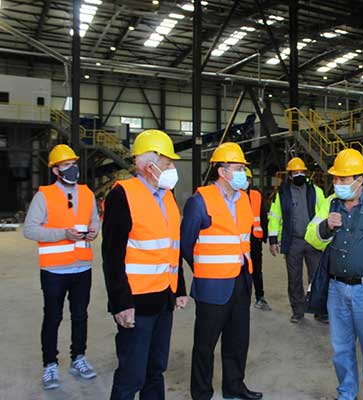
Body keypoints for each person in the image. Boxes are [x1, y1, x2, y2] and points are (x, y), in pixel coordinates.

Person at [102, 129, 187, 400]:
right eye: (168, 163)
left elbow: (172, 245)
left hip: (164, 299)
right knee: (132, 375)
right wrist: (120, 303)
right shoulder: (122, 195)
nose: (172, 169)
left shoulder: (168, 196)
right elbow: (112, 256)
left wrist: (179, 288)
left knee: (156, 370)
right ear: (148, 166)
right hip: (136, 303)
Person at [180, 142, 262, 400]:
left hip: (241, 280)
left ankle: (234, 387)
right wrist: (203, 268)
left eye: (243, 169)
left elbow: (243, 239)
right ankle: (202, 393)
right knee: (205, 345)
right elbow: (186, 244)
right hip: (212, 285)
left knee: (238, 341)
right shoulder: (200, 201)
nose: (243, 174)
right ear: (223, 172)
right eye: (238, 169)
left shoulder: (244, 199)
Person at [305, 149, 363, 400]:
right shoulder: (330, 203)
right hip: (336, 288)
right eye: (335, 178)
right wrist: (326, 226)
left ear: (359, 179)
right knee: (341, 349)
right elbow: (311, 236)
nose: (337, 183)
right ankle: (346, 393)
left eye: (343, 178)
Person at [23, 144, 99, 390]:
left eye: (73, 164)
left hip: (82, 268)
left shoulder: (87, 193)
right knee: (53, 317)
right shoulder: (44, 196)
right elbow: (30, 229)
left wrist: (94, 231)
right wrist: (62, 234)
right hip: (55, 271)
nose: (72, 169)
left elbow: (94, 220)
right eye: (66, 165)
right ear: (55, 170)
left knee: (80, 316)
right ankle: (50, 364)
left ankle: (79, 358)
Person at [268, 157, 326, 323]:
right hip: (293, 241)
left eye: (302, 172)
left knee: (317, 277)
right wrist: (273, 240)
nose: (299, 175)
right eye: (295, 172)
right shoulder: (282, 194)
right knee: (294, 278)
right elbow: (275, 217)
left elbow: (325, 214)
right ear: (290, 175)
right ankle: (298, 311)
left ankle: (319, 310)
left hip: (313, 241)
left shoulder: (316, 192)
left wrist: (326, 237)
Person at [243, 167, 271, 310]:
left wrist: (264, 235)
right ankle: (243, 298)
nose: (245, 181)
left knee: (256, 270)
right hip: (239, 241)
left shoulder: (256, 195)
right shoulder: (233, 196)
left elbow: (263, 215)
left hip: (255, 239)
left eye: (247, 179)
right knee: (242, 270)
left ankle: (260, 297)